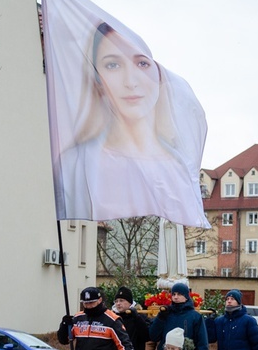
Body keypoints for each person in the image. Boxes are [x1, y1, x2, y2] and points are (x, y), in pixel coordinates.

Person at [58, 22, 207, 227]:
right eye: (113, 65)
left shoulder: (177, 169)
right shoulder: (73, 165)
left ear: (157, 76)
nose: (131, 81)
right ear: (97, 81)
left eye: (142, 64)